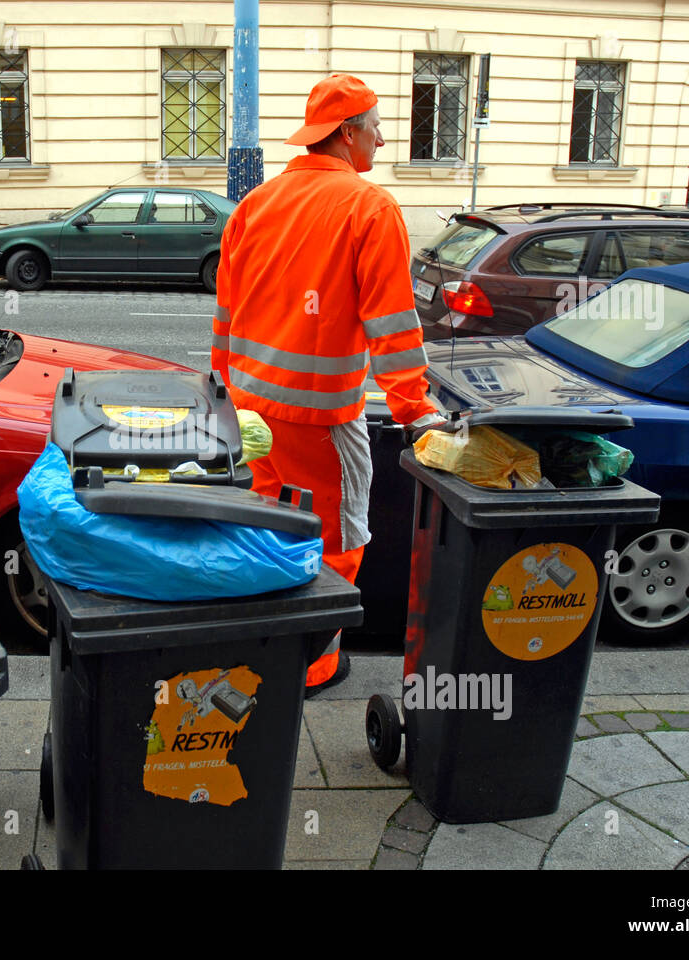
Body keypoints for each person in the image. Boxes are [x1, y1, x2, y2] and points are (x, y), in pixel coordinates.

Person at [211, 73, 445, 695]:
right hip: (321, 425)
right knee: (336, 540)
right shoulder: (369, 208)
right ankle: (310, 666)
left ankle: (264, 653)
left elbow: (226, 318)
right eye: (375, 126)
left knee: (266, 533)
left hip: (250, 416)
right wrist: (415, 408)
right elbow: (392, 326)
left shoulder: (255, 207)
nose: (384, 139)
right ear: (347, 133)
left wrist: (221, 400)